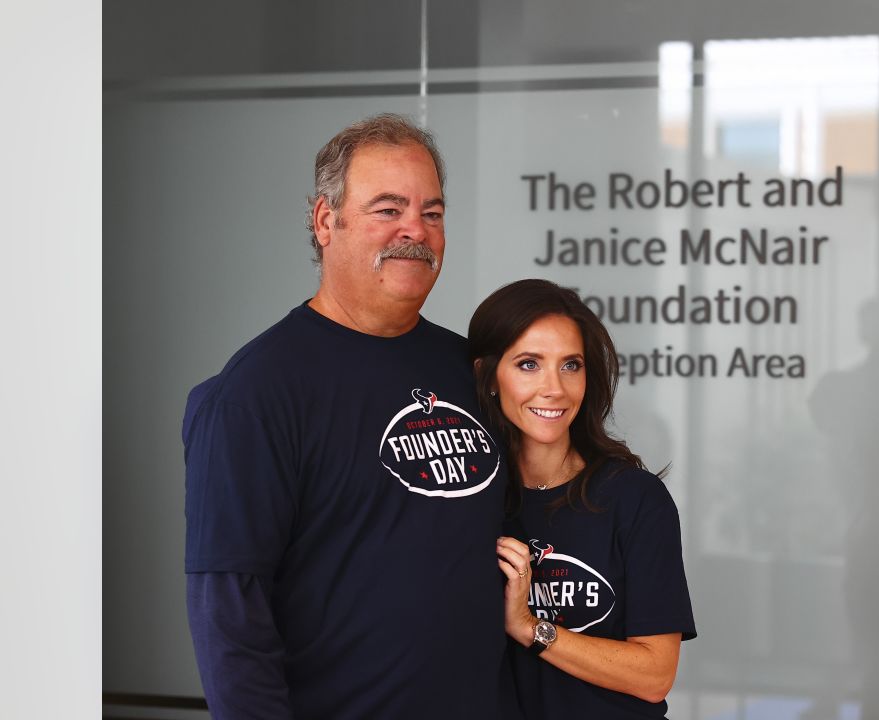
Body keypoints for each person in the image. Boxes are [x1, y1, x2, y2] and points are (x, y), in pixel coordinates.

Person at [183, 113, 508, 718]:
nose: (416, 228)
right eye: (389, 209)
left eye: (432, 213)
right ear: (326, 221)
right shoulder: (254, 394)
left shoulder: (470, 371)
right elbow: (228, 616)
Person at [469, 279, 697, 720]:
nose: (554, 388)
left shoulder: (635, 499)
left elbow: (654, 675)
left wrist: (530, 628)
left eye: (570, 365)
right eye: (529, 364)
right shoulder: (470, 503)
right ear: (487, 375)